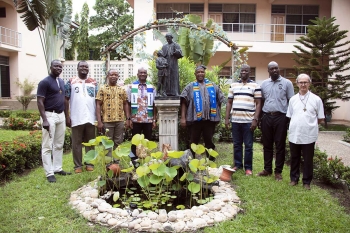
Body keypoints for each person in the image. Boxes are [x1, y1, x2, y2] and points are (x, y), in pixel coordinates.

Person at [257, 61, 294, 181]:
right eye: (272, 69)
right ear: (268, 71)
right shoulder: (264, 84)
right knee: (267, 144)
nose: (274, 70)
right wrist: (259, 118)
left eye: (276, 68)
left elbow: (291, 102)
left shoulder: (287, 83)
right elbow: (261, 101)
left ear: (279, 69)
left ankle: (278, 172)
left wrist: (288, 119)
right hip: (267, 116)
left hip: (281, 117)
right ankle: (267, 169)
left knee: (280, 145)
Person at [287, 73, 324, 190]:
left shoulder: (316, 99)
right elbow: (290, 115)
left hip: (309, 135)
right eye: (301, 82)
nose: (303, 84)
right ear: (297, 84)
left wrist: (309, 126)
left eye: (305, 82)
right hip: (295, 134)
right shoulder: (293, 99)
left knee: (308, 160)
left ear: (309, 83)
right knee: (294, 158)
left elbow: (320, 118)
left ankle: (307, 182)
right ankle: (294, 179)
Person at [37, 60, 72, 183]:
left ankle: (57, 168)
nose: (59, 68)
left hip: (60, 115)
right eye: (56, 66)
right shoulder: (44, 82)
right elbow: (40, 101)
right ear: (50, 67)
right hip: (49, 115)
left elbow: (64, 100)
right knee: (47, 145)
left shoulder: (61, 81)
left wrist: (67, 116)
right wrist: (44, 120)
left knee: (59, 144)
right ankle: (49, 172)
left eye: (60, 66)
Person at [180, 65, 225, 160]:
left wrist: (217, 114)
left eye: (202, 72)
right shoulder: (190, 86)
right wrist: (183, 118)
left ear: (205, 73)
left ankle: (210, 162)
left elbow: (220, 100)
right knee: (193, 142)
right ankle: (190, 161)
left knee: (209, 141)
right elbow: (183, 102)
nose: (200, 74)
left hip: (209, 120)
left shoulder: (213, 86)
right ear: (195, 74)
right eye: (198, 72)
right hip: (195, 120)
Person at [225, 64, 262, 176]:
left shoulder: (255, 85)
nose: (244, 72)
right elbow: (229, 102)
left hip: (248, 121)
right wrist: (226, 118)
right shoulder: (233, 85)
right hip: (236, 120)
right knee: (236, 144)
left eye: (246, 71)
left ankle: (248, 168)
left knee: (249, 145)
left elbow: (259, 103)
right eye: (242, 71)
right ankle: (237, 164)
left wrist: (255, 119)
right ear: (240, 72)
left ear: (249, 72)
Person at [65, 61, 98, 173]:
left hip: (90, 116)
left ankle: (89, 163)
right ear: (77, 68)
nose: (84, 68)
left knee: (90, 142)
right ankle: (77, 166)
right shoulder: (71, 82)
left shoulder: (93, 82)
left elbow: (98, 100)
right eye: (81, 66)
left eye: (86, 66)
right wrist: (67, 116)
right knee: (76, 143)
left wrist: (98, 117)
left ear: (88, 69)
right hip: (76, 116)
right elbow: (66, 99)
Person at [96, 69, 130, 156]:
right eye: (111, 74)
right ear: (108, 76)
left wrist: (127, 119)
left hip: (119, 120)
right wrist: (99, 121)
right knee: (107, 143)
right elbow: (98, 105)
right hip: (107, 121)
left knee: (118, 142)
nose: (113, 76)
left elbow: (125, 104)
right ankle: (108, 164)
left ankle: (116, 161)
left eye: (116, 75)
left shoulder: (122, 89)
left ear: (118, 77)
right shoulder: (102, 89)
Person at [127, 67, 157, 161]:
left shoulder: (152, 87)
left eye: (144, 73)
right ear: (137, 74)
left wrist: (154, 119)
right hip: (135, 119)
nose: (143, 74)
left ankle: (146, 159)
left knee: (147, 140)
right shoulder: (131, 87)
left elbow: (154, 104)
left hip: (148, 119)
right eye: (141, 72)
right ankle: (134, 159)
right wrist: (128, 118)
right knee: (135, 141)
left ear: (147, 75)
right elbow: (128, 103)